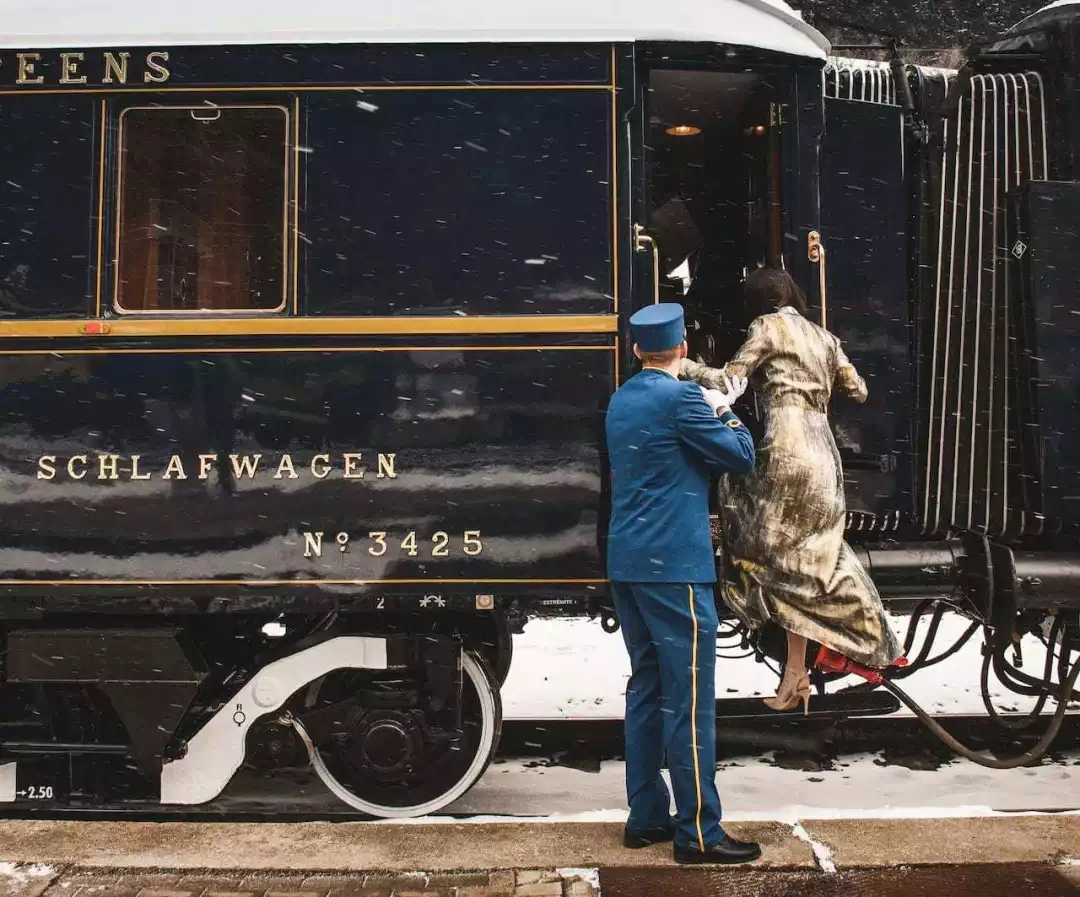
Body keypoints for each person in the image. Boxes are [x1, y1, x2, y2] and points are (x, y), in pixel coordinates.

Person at [680, 267, 905, 714]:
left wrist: (683, 365)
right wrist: (815, 383)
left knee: (760, 547)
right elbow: (857, 390)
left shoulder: (767, 326)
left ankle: (863, 637)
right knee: (803, 562)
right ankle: (796, 676)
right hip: (824, 456)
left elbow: (730, 381)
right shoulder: (823, 336)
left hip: (785, 448)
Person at [604, 302, 761, 865]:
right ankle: (698, 832)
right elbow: (741, 457)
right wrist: (726, 410)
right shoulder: (683, 399)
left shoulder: (622, 400)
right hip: (675, 568)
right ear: (684, 351)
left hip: (629, 564)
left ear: (636, 351)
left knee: (647, 688)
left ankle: (645, 816)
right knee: (690, 700)